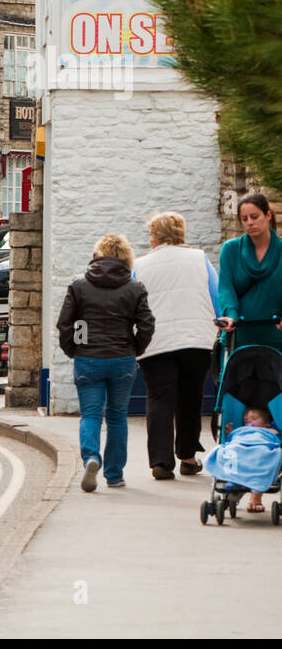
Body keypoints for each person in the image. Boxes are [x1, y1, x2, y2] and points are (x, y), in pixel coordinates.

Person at [57, 233, 156, 493]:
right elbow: (147, 324)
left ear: (96, 256)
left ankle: (91, 458)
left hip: (88, 358)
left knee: (91, 414)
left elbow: (65, 323)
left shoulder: (79, 285)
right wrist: (135, 349)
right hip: (122, 359)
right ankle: (114, 474)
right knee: (117, 416)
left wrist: (74, 350)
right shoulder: (135, 288)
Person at [132, 212, 218, 480]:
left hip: (156, 342)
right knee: (190, 398)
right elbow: (217, 297)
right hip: (196, 339)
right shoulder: (200, 259)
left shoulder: (140, 265)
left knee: (159, 398)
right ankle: (188, 458)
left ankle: (160, 461)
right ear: (181, 233)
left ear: (155, 237)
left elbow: (133, 304)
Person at [218, 193, 282, 350]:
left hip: (276, 336)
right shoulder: (230, 250)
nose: (250, 223)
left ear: (267, 215)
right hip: (240, 336)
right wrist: (231, 315)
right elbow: (226, 288)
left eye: (254, 216)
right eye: (244, 219)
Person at [206, 406, 282, 513]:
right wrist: (230, 432)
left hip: (260, 446)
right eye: (246, 420)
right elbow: (233, 439)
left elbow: (275, 439)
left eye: (254, 419)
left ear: (266, 423)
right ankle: (232, 479)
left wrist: (269, 431)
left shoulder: (269, 430)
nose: (249, 421)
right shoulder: (241, 430)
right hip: (240, 445)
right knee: (231, 449)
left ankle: (255, 487)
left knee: (264, 452)